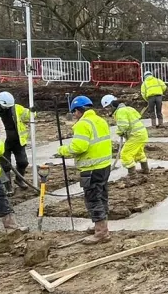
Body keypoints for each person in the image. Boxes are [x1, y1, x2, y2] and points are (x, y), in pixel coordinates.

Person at [57, 96, 113, 244]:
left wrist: (63, 150)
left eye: (74, 112)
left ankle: (101, 232)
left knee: (93, 199)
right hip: (104, 166)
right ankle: (101, 226)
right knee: (102, 196)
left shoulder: (83, 124)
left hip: (91, 167)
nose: (74, 115)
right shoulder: (100, 120)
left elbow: (79, 147)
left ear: (78, 110)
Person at [0, 91, 33, 190]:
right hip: (2, 143)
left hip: (17, 141)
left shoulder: (15, 108)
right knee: (5, 166)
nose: (7, 109)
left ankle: (19, 179)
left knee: (23, 162)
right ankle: (7, 186)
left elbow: (27, 115)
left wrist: (33, 111)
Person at [101, 94, 149, 175]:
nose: (108, 110)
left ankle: (132, 174)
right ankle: (145, 169)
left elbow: (124, 126)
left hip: (136, 135)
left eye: (108, 107)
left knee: (125, 154)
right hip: (142, 134)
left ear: (113, 104)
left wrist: (120, 132)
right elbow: (137, 117)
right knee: (138, 152)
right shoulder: (127, 109)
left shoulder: (120, 112)